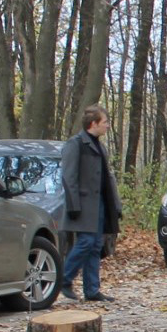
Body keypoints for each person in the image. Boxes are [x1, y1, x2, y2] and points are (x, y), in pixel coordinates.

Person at [59, 105, 122, 302]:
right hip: (83, 204)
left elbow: (107, 178)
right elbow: (69, 177)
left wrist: (116, 204)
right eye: (105, 122)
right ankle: (64, 279)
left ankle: (92, 290)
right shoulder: (75, 144)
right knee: (85, 242)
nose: (108, 126)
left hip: (100, 204)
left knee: (95, 245)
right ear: (93, 124)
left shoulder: (99, 146)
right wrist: (74, 205)